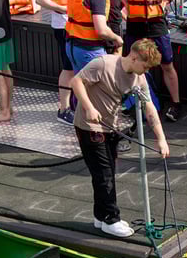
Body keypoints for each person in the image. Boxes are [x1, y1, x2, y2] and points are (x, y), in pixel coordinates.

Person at [70, 39, 170, 237]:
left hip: (110, 128)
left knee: (105, 173)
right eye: (145, 66)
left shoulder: (139, 78)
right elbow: (76, 82)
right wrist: (89, 108)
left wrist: (161, 139)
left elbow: (149, 107)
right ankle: (111, 219)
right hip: (89, 127)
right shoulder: (103, 64)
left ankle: (101, 216)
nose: (146, 71)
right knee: (104, 174)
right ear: (134, 58)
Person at [118, 0, 187, 122]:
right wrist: (124, 1)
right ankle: (134, 103)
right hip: (135, 24)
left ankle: (176, 104)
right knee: (131, 63)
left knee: (167, 64)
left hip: (157, 23)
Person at [36, 0, 89, 124]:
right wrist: (61, 8)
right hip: (64, 25)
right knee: (68, 67)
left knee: (80, 66)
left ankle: (77, 103)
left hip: (81, 23)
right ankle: (64, 108)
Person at [64, 0, 124, 76]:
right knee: (99, 84)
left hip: (71, 46)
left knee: (80, 81)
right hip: (89, 49)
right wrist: (116, 38)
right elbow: (101, 30)